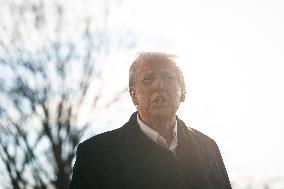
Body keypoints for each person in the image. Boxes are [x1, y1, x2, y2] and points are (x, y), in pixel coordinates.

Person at [69, 52, 232, 189]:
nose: (159, 85)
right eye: (148, 79)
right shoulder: (96, 154)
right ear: (133, 95)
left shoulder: (209, 148)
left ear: (183, 92)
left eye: (168, 77)